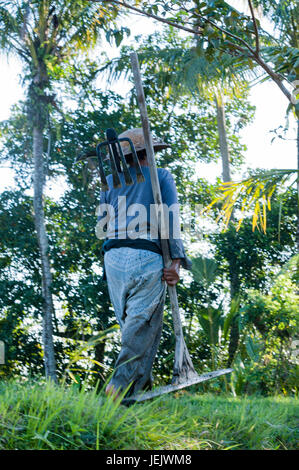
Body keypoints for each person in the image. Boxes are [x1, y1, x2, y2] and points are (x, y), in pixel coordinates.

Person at [95, 128, 191, 400]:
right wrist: (176, 261)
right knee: (143, 326)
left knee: (136, 328)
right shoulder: (161, 176)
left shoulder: (110, 182)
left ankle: (136, 393)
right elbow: (171, 220)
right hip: (147, 255)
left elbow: (103, 226)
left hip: (112, 258)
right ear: (149, 153)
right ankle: (117, 386)